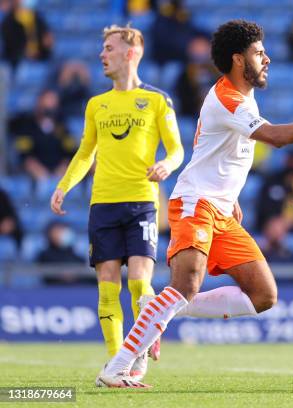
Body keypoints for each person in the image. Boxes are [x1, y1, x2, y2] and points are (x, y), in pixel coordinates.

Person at [95, 19, 293, 388]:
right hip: (195, 203)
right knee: (187, 282)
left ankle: (158, 308)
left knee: (263, 295)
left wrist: (233, 197)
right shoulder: (226, 97)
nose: (266, 58)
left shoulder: (242, 99)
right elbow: (276, 137)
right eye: (258, 53)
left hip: (221, 209)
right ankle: (117, 366)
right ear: (239, 60)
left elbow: (224, 155)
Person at [49, 24, 184, 383]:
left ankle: (142, 345)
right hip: (103, 205)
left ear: (131, 52)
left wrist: (166, 165)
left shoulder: (157, 100)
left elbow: (176, 149)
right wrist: (64, 185)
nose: (101, 54)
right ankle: (117, 365)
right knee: (108, 286)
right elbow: (84, 152)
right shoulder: (97, 104)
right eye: (102, 48)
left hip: (141, 202)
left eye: (109, 48)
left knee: (141, 284)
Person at [10, 89, 76, 182]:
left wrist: (62, 169)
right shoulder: (27, 127)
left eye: (52, 104)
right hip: (35, 177)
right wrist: (42, 175)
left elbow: (70, 152)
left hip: (59, 174)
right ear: (39, 104)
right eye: (45, 105)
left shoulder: (62, 127)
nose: (49, 109)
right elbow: (24, 156)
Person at [175, 34, 220, 116]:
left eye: (203, 48)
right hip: (192, 115)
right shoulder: (185, 74)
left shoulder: (217, 72)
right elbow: (182, 99)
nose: (200, 53)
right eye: (197, 49)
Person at [0, 0, 53, 68]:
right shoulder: (8, 21)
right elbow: (10, 46)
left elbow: (46, 38)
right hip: (17, 62)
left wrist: (47, 45)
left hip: (39, 58)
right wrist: (25, 53)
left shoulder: (38, 17)